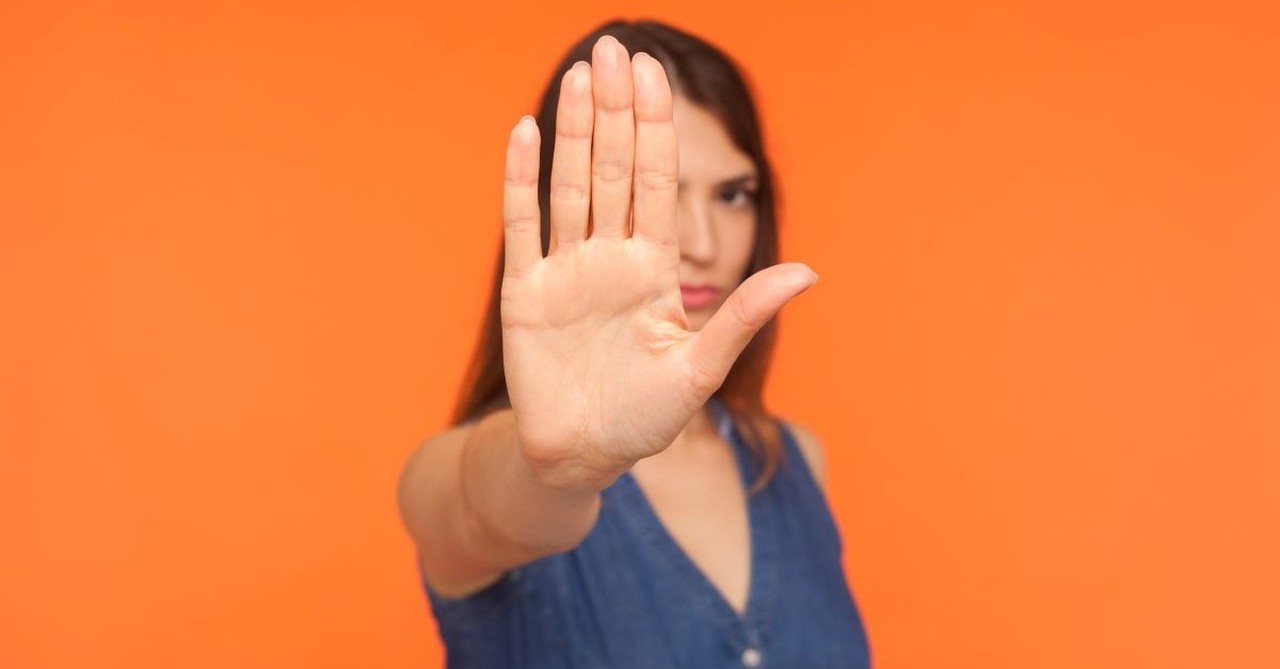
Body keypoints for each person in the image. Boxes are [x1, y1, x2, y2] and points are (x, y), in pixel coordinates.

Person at [397, 19, 872, 668]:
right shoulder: (463, 475)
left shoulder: (794, 461)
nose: (704, 243)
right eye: (666, 187)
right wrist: (555, 471)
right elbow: (481, 507)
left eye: (734, 194)